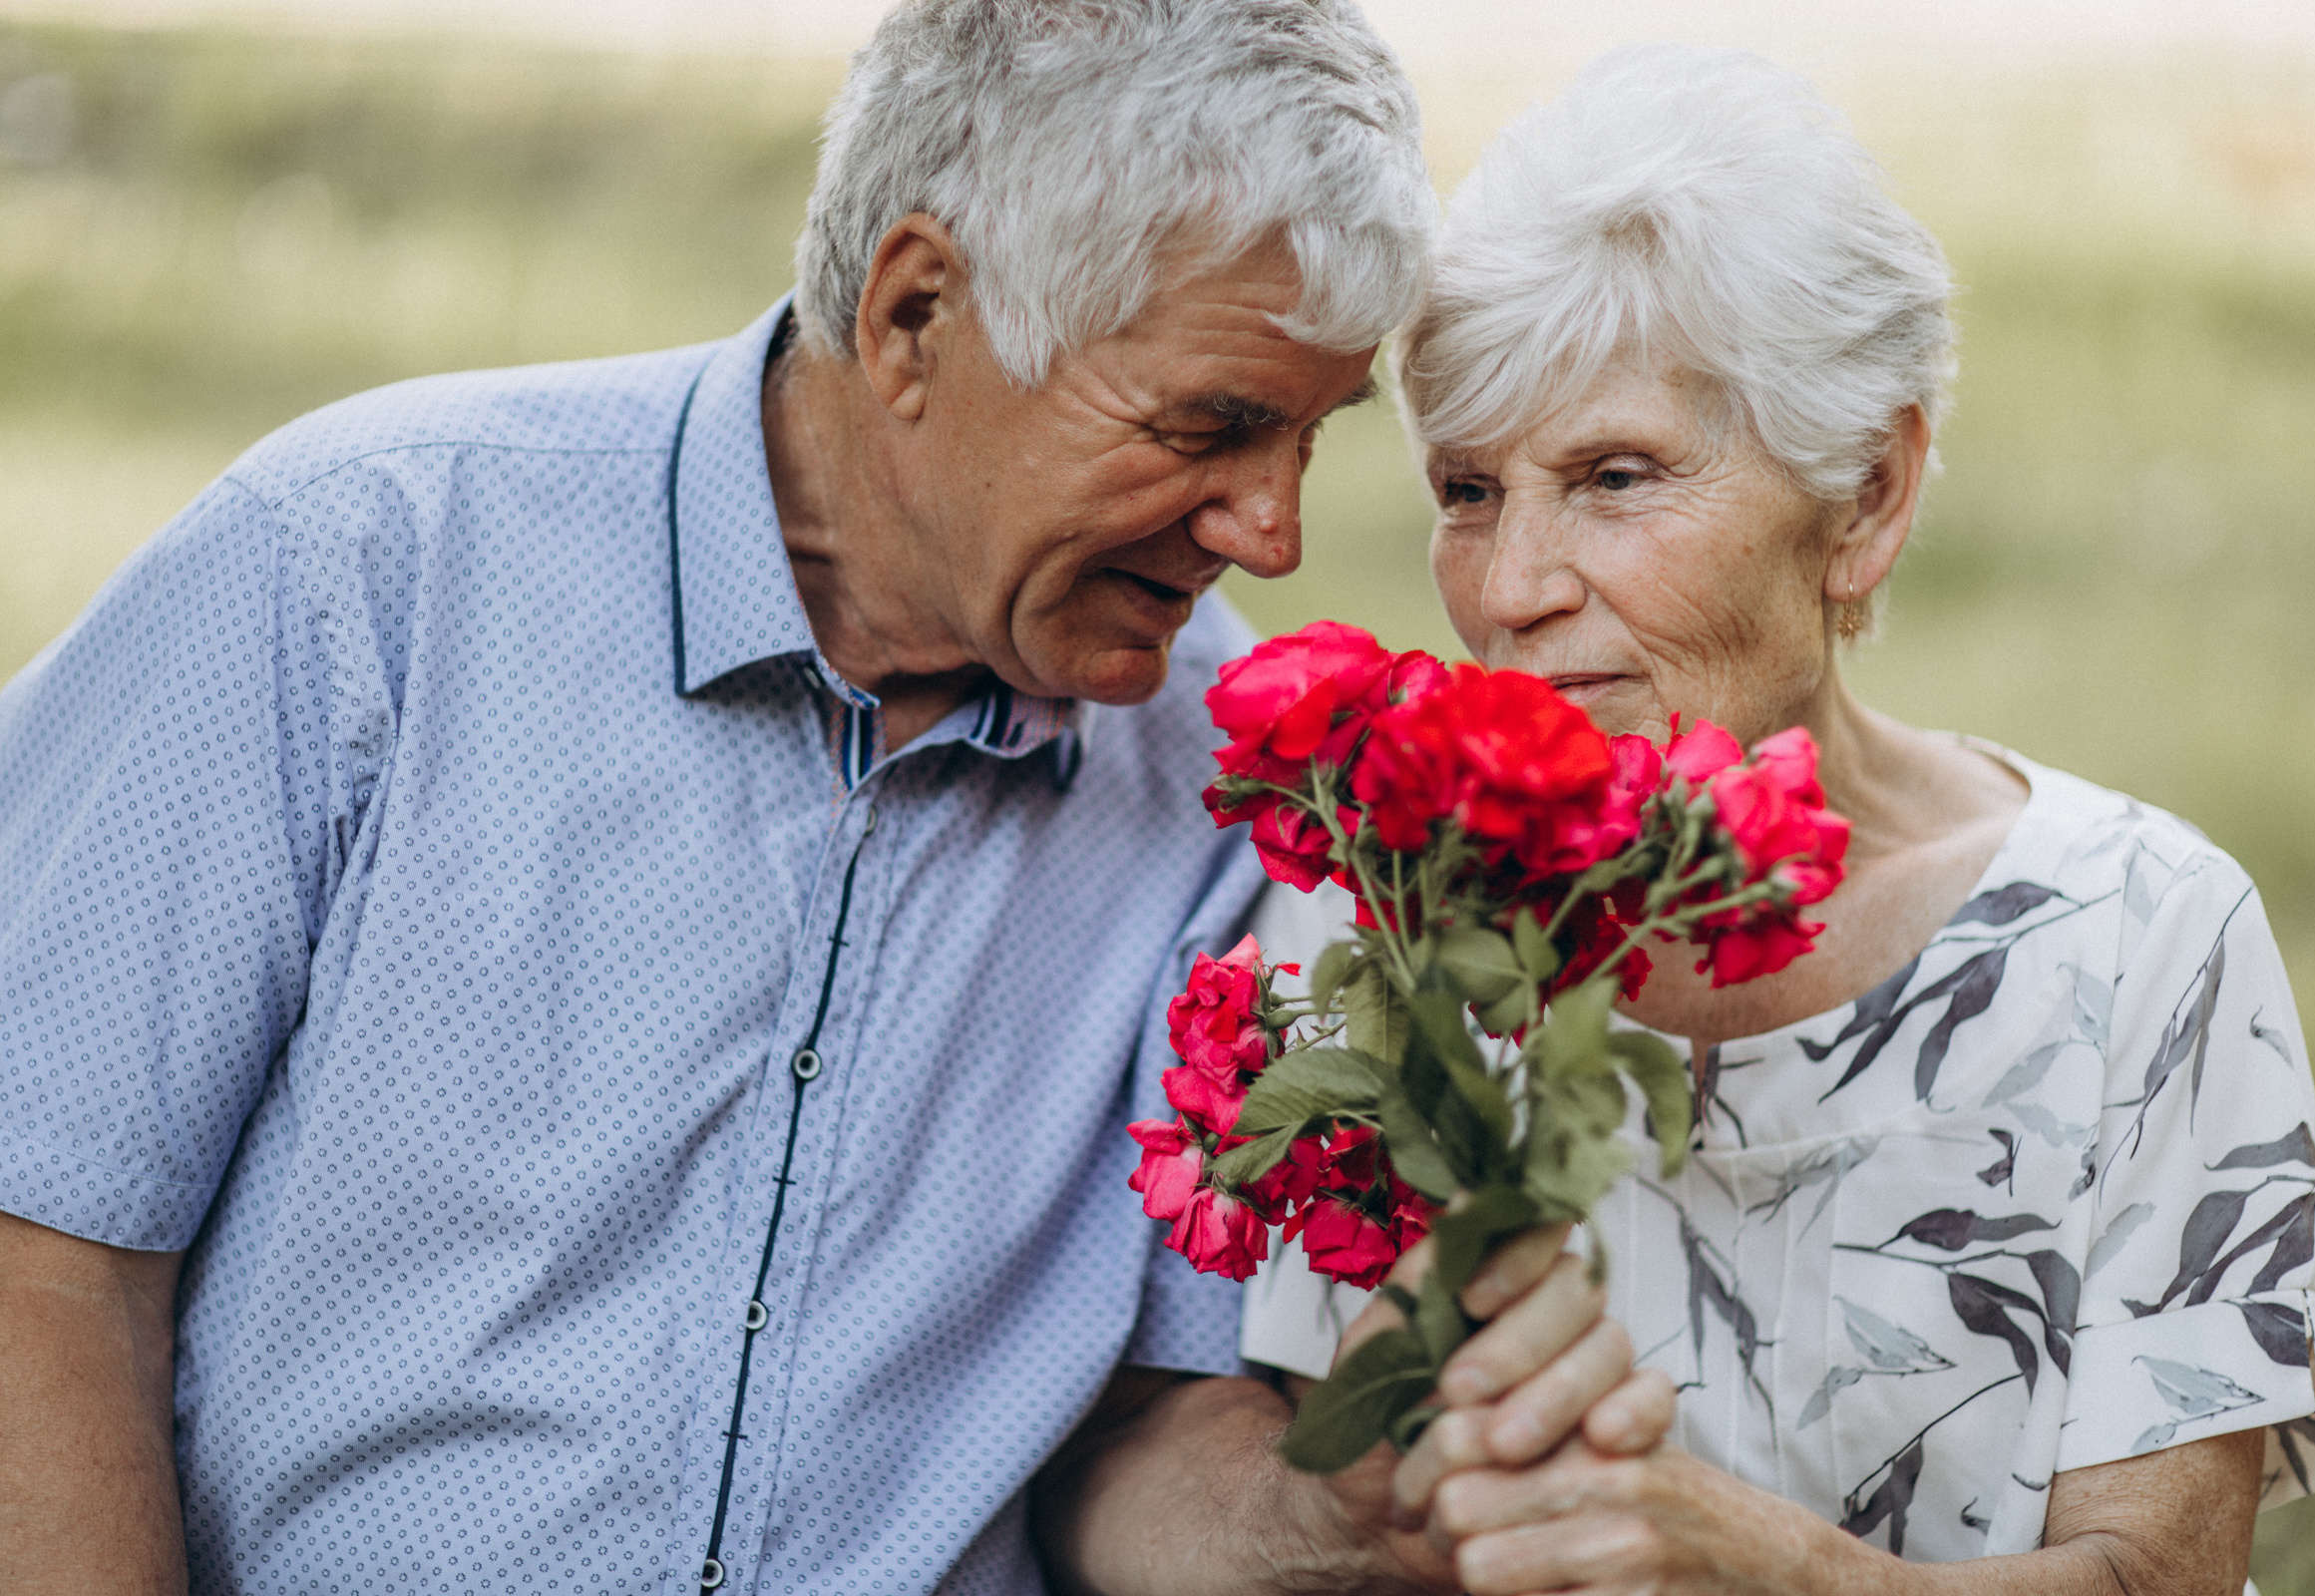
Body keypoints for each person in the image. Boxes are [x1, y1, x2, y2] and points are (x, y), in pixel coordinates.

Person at [0, 5, 1672, 1592]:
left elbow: (1134, 1435)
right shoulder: (357, 576)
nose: (1272, 531)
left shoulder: (1228, 779)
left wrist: (1332, 1511)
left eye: (1310, 437)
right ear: (915, 317)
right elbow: (43, 1258)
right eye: (1211, 425)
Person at [1241, 44, 2315, 1596]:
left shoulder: (2138, 938)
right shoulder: (1384, 904)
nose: (1511, 589)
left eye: (1617, 473)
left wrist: (1762, 1571)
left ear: (1868, 498)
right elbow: (1344, 1517)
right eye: (1467, 489)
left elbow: (2156, 1579)